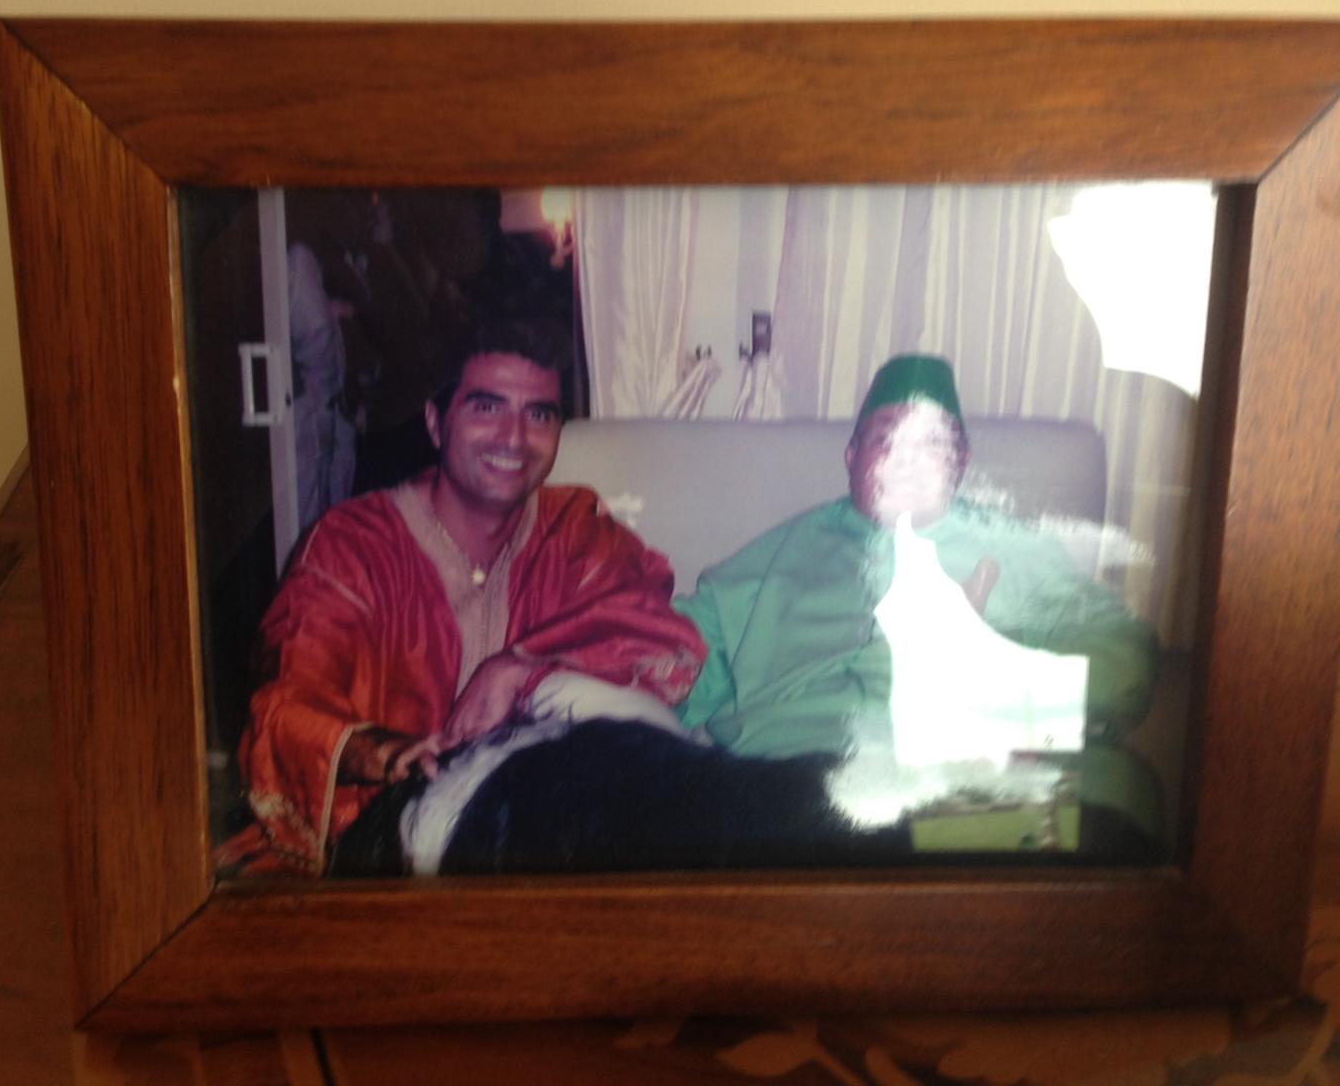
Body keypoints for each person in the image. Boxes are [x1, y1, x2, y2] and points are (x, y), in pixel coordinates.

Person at [233, 320, 706, 874]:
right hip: (369, 847)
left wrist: (518, 667)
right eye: (487, 408)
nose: (514, 438)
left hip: (536, 839)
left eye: (539, 415)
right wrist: (382, 751)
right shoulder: (350, 547)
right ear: (436, 423)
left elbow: (661, 636)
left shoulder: (576, 531)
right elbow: (286, 704)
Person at [674, 354, 1162, 850]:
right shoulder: (773, 560)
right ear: (852, 456)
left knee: (1114, 806)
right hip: (795, 787)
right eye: (887, 437)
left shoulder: (1016, 552)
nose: (907, 459)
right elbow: (667, 653)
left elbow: (1125, 662)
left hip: (961, 790)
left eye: (933, 441)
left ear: (962, 461)